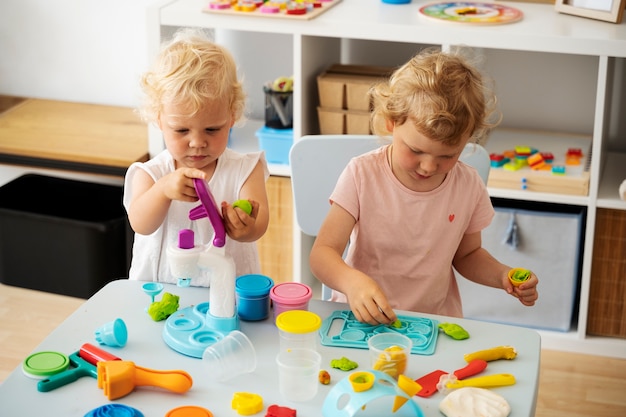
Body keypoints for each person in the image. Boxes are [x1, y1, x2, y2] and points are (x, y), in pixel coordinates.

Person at [309, 49, 539, 325]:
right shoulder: (361, 174)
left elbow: (467, 255)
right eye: (416, 150)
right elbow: (323, 254)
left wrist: (502, 275)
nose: (429, 167)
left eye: (447, 156)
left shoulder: (467, 185)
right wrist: (350, 282)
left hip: (432, 322)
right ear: (391, 123)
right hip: (361, 317)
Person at [123, 29, 270, 286]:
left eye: (212, 129)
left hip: (228, 296)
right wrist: (163, 190)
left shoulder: (246, 169)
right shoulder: (150, 174)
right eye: (181, 130)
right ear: (158, 118)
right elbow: (140, 224)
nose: (198, 143)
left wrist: (245, 227)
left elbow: (260, 225)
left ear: (232, 116)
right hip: (159, 291)